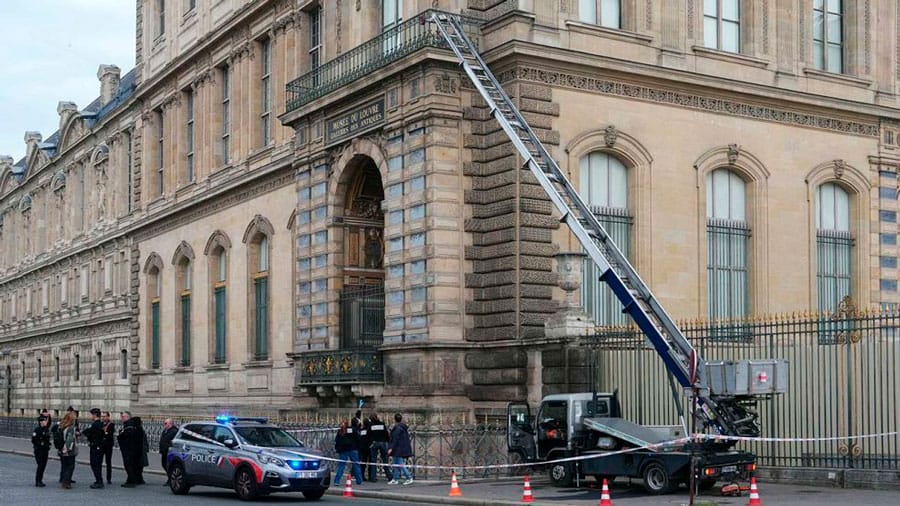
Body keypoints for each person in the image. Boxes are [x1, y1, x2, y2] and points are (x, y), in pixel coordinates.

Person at [333, 420, 364, 486]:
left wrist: (338, 449)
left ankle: (337, 481)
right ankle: (359, 481)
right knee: (356, 465)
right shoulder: (352, 429)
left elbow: (337, 441)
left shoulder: (340, 431)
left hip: (344, 450)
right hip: (353, 449)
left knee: (341, 466)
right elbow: (358, 438)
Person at [387, 413, 413, 485]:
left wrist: (391, 448)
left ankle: (409, 477)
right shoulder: (403, 427)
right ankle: (395, 478)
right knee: (396, 464)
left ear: (394, 419)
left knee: (400, 464)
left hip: (398, 449)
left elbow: (395, 439)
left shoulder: (397, 428)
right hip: (400, 448)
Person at [82, 408, 106, 488]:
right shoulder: (100, 424)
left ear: (94, 415)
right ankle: (98, 480)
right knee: (97, 464)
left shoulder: (96, 424)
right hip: (98, 447)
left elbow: (92, 434)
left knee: (95, 464)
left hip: (96, 447)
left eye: (91, 415)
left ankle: (99, 481)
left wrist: (87, 435)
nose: (90, 416)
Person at [366, 412, 392, 483]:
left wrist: (369, 443)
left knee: (373, 461)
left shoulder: (370, 425)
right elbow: (386, 434)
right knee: (385, 460)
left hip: (374, 443)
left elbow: (368, 435)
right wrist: (388, 441)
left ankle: (373, 477)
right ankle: (389, 476)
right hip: (383, 442)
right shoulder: (382, 424)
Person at [117, 411, 141, 487]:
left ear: (128, 417)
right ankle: (129, 480)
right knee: (129, 465)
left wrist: (121, 434)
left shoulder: (130, 425)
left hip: (129, 449)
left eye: (123, 417)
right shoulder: (128, 425)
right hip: (129, 449)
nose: (122, 418)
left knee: (129, 465)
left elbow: (128, 436)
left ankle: (131, 481)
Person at [58, 411, 79, 489]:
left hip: (61, 448)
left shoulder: (62, 426)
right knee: (70, 466)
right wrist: (67, 449)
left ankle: (63, 479)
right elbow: (69, 439)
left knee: (65, 465)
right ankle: (66, 482)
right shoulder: (70, 428)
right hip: (68, 450)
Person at [31, 415, 51, 487]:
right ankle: (38, 481)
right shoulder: (37, 430)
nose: (46, 422)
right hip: (39, 450)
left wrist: (48, 445)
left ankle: (40, 480)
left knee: (43, 466)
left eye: (46, 421)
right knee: (40, 465)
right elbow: (33, 440)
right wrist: (40, 444)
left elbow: (47, 439)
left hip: (45, 450)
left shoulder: (46, 429)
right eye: (44, 421)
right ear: (41, 422)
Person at [159, 418, 179, 486]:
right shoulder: (166, 430)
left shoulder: (174, 431)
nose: (164, 425)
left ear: (170, 423)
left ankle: (170, 479)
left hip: (169, 451)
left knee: (168, 465)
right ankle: (170, 478)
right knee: (164, 464)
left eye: (165, 423)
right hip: (164, 451)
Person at [352, 410, 369, 480]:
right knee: (360, 461)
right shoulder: (360, 430)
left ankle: (355, 474)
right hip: (361, 447)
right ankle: (357, 475)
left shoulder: (360, 429)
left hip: (359, 447)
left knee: (358, 461)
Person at [101, 411, 115, 484]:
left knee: (108, 462)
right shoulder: (100, 424)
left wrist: (104, 434)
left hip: (108, 446)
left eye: (104, 416)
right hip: (101, 445)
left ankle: (109, 478)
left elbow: (109, 434)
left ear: (108, 417)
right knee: (99, 461)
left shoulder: (111, 424)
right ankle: (99, 478)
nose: (103, 418)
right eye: (102, 416)